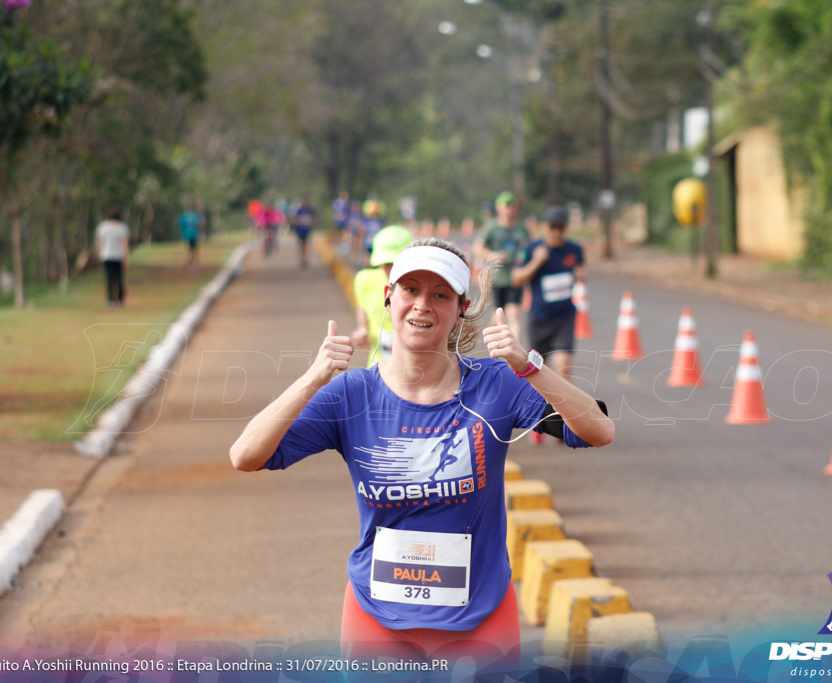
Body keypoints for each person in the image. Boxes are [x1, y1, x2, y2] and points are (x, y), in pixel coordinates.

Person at [230, 238, 614, 665]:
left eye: (440, 295)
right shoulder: (350, 394)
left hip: (481, 617)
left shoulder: (495, 385)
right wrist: (311, 380)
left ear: (461, 307)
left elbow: (598, 430)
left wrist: (527, 365)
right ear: (388, 297)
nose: (422, 305)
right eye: (411, 289)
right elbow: (245, 455)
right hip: (377, 618)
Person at [511, 205, 586, 381]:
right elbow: (516, 279)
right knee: (540, 372)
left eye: (561, 227)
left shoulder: (574, 250)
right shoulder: (531, 249)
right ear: (545, 227)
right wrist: (536, 262)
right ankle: (546, 407)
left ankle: (565, 408)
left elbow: (583, 272)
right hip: (539, 318)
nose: (557, 232)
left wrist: (581, 275)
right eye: (553, 227)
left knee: (564, 367)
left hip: (564, 317)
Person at [351, 225, 414, 366]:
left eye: (396, 263)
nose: (391, 269)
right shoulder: (364, 280)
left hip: (417, 367)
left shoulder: (425, 290)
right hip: (378, 366)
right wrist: (362, 330)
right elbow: (363, 311)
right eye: (386, 263)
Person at [473, 191, 529, 335]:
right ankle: (497, 345)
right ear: (499, 208)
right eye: (506, 206)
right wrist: (492, 255)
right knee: (498, 316)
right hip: (497, 278)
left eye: (512, 206)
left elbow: (528, 248)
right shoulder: (492, 228)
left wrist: (525, 262)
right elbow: (477, 248)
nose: (509, 209)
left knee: (514, 314)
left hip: (515, 278)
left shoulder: (521, 229)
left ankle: (514, 349)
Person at [94, 207, 130, 309]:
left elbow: (99, 241)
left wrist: (97, 253)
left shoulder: (103, 227)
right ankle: (119, 300)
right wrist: (126, 257)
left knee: (109, 278)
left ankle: (110, 300)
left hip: (107, 255)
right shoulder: (122, 227)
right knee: (119, 278)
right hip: (119, 255)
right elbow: (125, 244)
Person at [291, 198, 316, 267]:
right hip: (300, 230)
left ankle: (305, 258)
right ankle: (302, 258)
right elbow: (293, 218)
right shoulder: (298, 211)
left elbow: (314, 217)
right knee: (301, 245)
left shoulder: (309, 210)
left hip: (306, 230)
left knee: (306, 244)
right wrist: (297, 222)